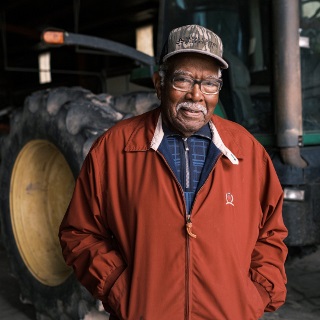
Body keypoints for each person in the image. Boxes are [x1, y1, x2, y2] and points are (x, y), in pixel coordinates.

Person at [59, 24, 288, 320]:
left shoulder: (247, 151)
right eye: (183, 80)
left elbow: (270, 234)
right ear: (159, 84)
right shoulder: (114, 149)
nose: (196, 95)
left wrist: (255, 295)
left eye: (209, 84)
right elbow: (79, 233)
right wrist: (119, 288)